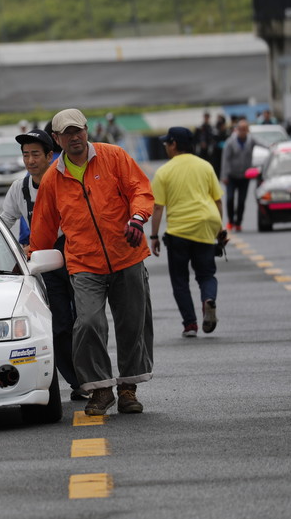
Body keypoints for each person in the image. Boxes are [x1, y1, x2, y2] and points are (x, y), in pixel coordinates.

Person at [29, 109, 155, 417]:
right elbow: (43, 226)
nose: (74, 137)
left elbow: (141, 190)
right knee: (86, 323)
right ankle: (100, 388)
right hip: (85, 264)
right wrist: (32, 262)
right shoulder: (52, 180)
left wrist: (137, 219)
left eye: (78, 131)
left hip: (127, 256)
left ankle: (128, 389)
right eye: (66, 133)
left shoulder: (114, 157)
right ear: (56, 139)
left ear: (87, 131)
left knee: (132, 325)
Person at [0, 129, 85, 401]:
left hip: (74, 252)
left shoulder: (65, 181)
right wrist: (12, 252)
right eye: (25, 155)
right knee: (58, 324)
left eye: (36, 154)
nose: (30, 160)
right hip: (42, 260)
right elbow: (4, 222)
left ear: (51, 155)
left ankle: (94, 375)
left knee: (86, 320)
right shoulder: (19, 188)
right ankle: (77, 381)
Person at [149, 127, 224, 337]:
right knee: (207, 274)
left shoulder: (164, 171)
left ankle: (190, 324)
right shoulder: (206, 166)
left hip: (179, 231)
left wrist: (154, 236)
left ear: (173, 144)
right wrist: (220, 230)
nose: (165, 147)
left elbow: (157, 208)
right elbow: (218, 201)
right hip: (206, 225)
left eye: (166, 143)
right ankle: (208, 300)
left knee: (180, 280)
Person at [220, 119, 259, 232]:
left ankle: (238, 222)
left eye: (244, 130)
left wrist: (273, 146)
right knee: (230, 198)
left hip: (244, 176)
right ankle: (231, 221)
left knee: (242, 201)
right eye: (240, 129)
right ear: (237, 130)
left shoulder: (251, 141)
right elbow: (225, 160)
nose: (242, 132)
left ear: (248, 131)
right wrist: (224, 176)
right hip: (231, 176)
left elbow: (262, 143)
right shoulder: (230, 142)